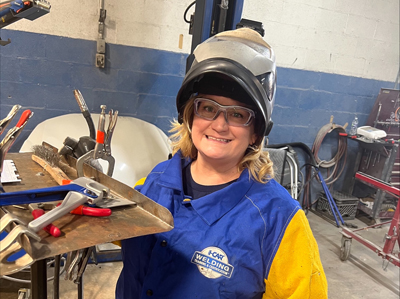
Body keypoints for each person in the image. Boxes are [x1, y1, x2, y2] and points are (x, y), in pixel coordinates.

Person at [116, 28, 328, 299]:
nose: (219, 124)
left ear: (256, 132)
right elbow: (124, 234)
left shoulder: (279, 220)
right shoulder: (156, 181)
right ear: (190, 114)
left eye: (238, 114)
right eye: (208, 108)